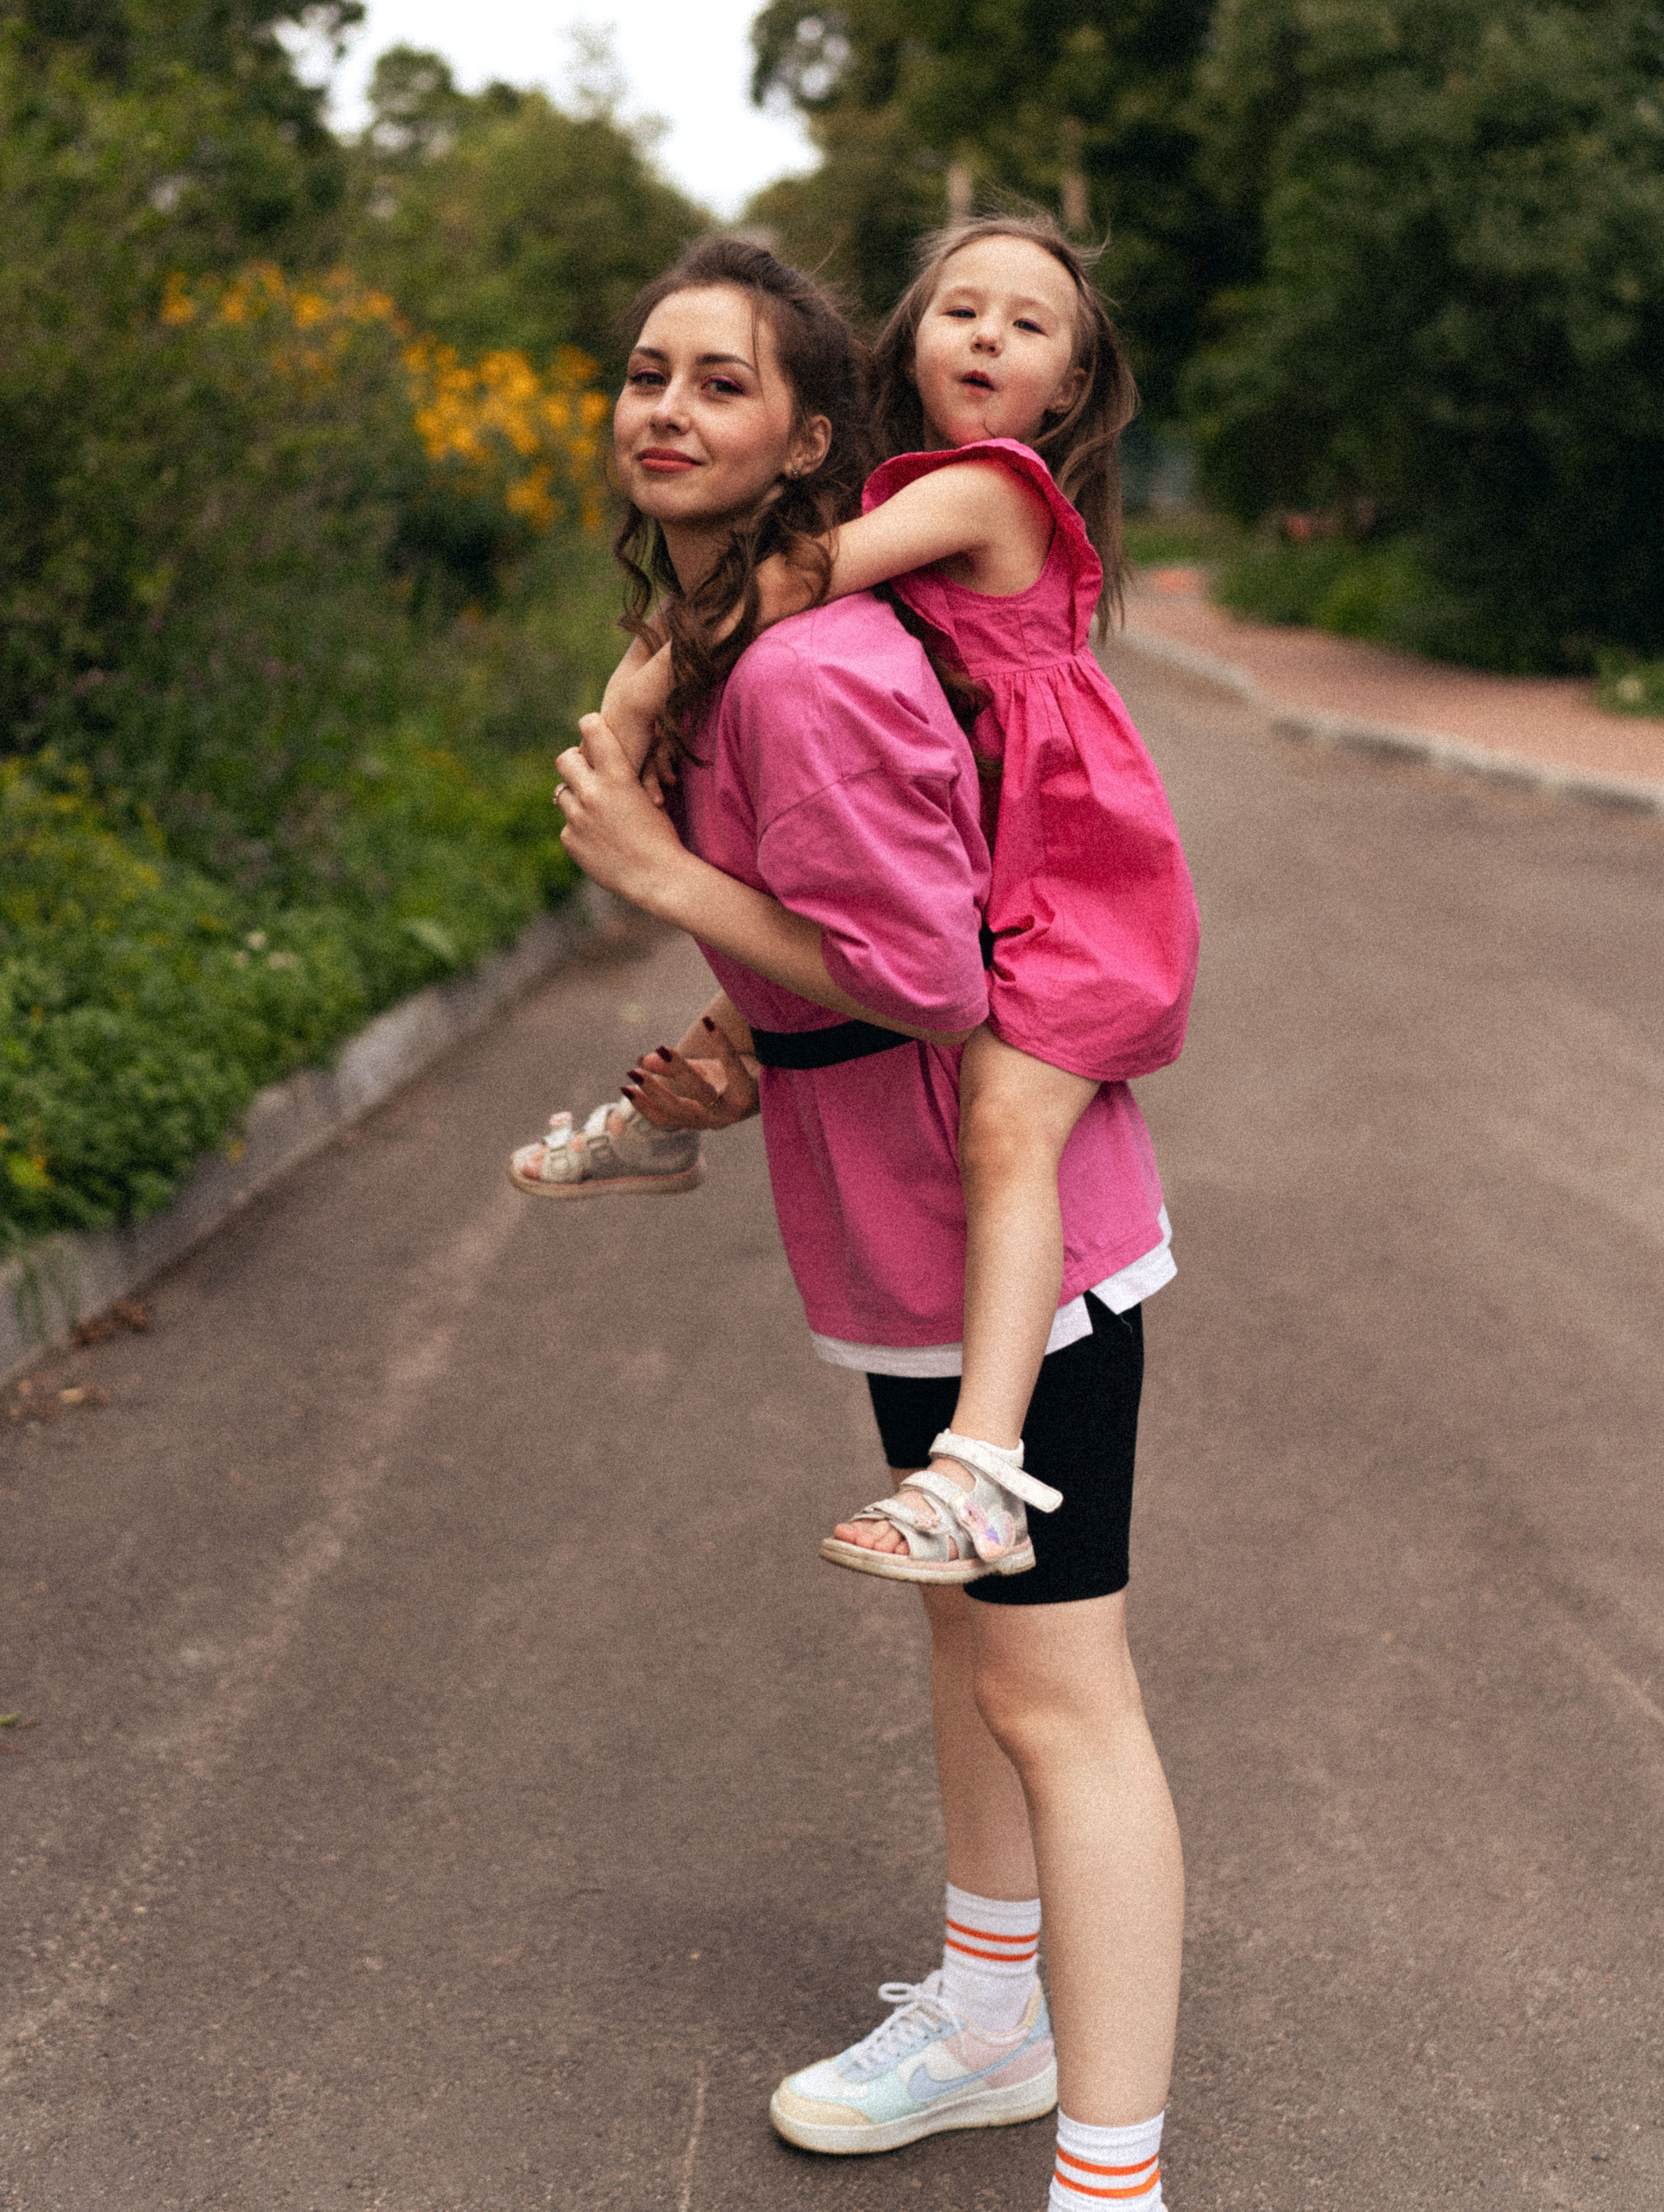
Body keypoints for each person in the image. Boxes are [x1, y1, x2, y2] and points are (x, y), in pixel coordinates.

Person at [535, 235, 1185, 2211]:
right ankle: (989, 2019)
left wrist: (656, 866)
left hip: (1023, 1256)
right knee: (979, 1653)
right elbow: (845, 940)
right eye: (646, 372)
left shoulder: (811, 659)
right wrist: (734, 1060)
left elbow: (926, 974)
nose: (665, 409)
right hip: (899, 1235)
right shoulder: (769, 648)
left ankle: (1112, 2182)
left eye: (719, 381)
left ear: (815, 435)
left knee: (1061, 1699)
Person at [525, 216, 1198, 1589]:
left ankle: (984, 1471)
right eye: (960, 310)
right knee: (794, 943)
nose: (987, 338)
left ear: (1068, 387)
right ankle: (659, 1120)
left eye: (1027, 324)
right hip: (1002, 867)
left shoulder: (993, 490)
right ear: (910, 339)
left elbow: (792, 577)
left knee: (1004, 1125)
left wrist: (631, 700)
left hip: (1078, 897)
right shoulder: (905, 503)